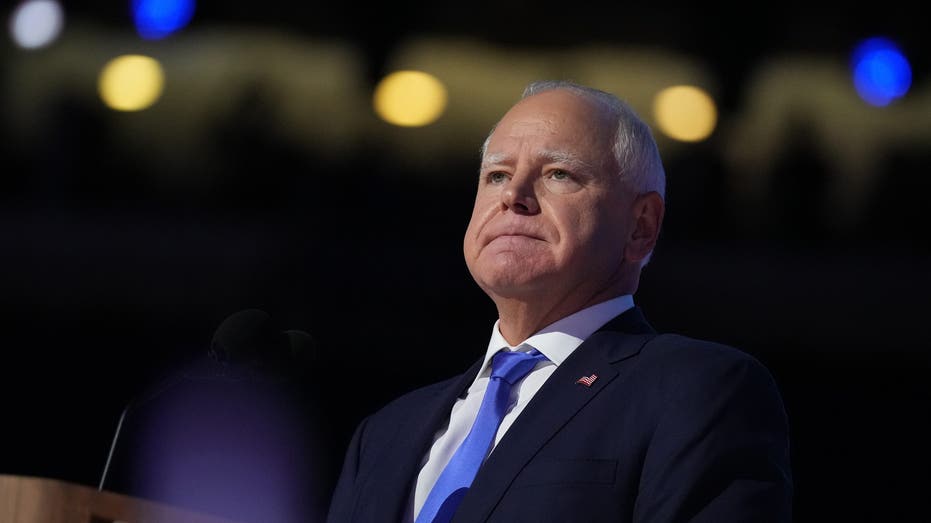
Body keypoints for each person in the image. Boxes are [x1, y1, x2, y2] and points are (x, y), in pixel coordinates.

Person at [325, 80, 793, 522]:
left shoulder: (696, 392)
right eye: (497, 174)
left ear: (641, 226)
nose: (513, 195)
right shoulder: (384, 434)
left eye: (559, 174)